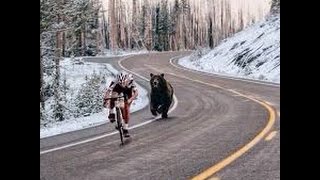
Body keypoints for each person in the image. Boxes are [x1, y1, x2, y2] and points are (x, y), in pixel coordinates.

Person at [103, 72, 138, 137]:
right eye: (120, 83)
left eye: (123, 83)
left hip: (128, 90)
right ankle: (111, 113)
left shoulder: (131, 82)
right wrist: (106, 100)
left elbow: (136, 93)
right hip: (117, 88)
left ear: (128, 80)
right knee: (113, 95)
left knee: (126, 110)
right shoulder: (115, 81)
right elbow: (108, 91)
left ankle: (125, 129)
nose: (122, 84)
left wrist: (130, 99)